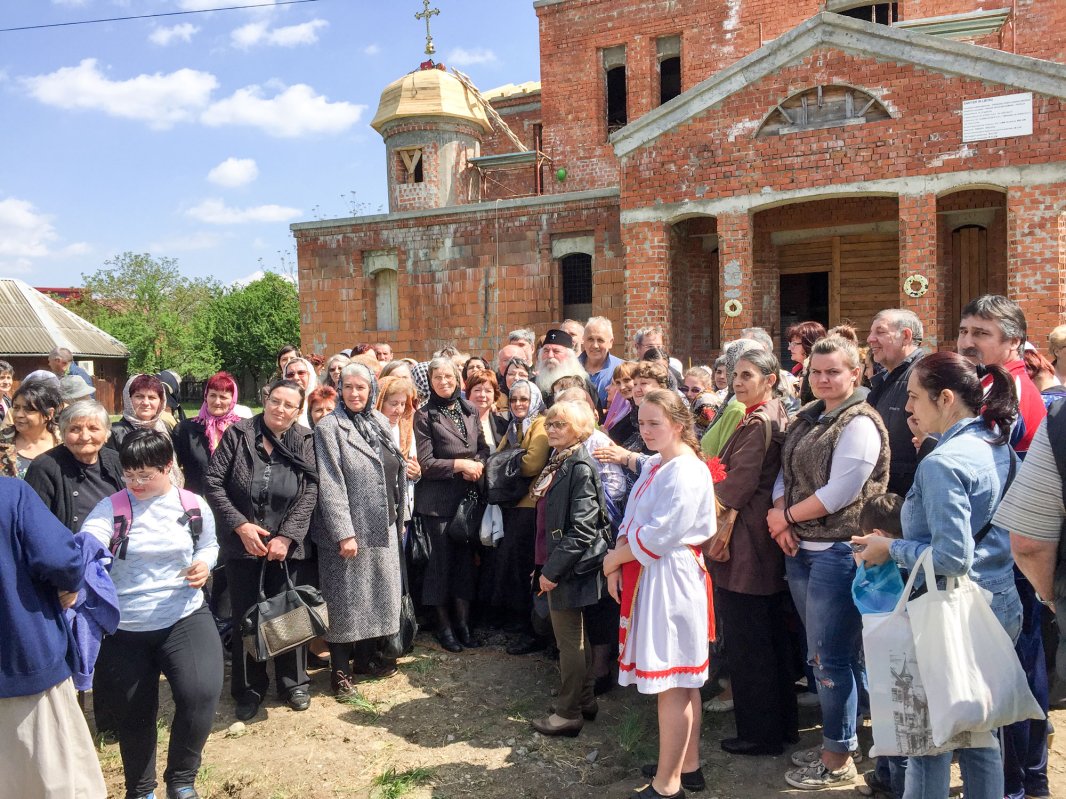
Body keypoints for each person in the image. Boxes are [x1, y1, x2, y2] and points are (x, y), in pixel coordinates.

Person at [852, 351, 1023, 799]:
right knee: (980, 731)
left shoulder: (942, 463)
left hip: (948, 611)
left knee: (929, 743)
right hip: (995, 603)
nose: (907, 408)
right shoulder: (993, 441)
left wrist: (889, 547)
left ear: (945, 398)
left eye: (913, 398)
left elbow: (952, 557)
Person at [768, 334, 889, 790]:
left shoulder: (859, 422)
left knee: (829, 658)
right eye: (816, 371)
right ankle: (850, 739)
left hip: (839, 552)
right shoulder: (810, 416)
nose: (823, 379)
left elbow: (842, 491)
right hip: (802, 549)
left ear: (854, 374)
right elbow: (784, 469)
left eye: (833, 371)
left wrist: (785, 517)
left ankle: (837, 758)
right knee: (831, 654)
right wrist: (782, 519)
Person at [83, 430, 221, 799]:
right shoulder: (111, 509)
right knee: (134, 714)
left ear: (168, 467)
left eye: (146, 475)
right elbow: (89, 541)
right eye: (129, 474)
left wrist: (204, 564)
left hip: (183, 617)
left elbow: (209, 543)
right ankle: (141, 789)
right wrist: (83, 555)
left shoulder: (192, 505)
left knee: (201, 694)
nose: (136, 483)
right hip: (125, 627)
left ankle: (181, 780)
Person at [957, 294, 1049, 797]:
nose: (969, 341)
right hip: (1011, 544)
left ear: (1012, 340)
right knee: (1020, 660)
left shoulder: (1002, 383)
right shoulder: (1007, 378)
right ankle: (1027, 775)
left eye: (982, 333)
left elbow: (988, 473)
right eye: (965, 330)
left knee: (1008, 667)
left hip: (1007, 548)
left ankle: (1018, 780)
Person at [603, 389, 715, 799]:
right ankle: (688, 766)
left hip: (672, 575)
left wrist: (614, 560)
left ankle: (668, 786)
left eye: (656, 423)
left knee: (674, 680)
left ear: (679, 425)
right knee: (681, 680)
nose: (646, 431)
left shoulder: (686, 469)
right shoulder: (657, 463)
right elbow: (632, 513)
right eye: (642, 423)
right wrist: (618, 553)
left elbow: (663, 533)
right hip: (652, 570)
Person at [205, 379, 319, 720]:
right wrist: (241, 526)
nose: (280, 409)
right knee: (247, 617)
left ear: (298, 411)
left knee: (289, 612)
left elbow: (311, 488)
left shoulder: (304, 439)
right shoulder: (239, 434)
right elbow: (213, 482)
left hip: (286, 546)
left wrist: (287, 537)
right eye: (275, 401)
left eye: (289, 405)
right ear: (265, 400)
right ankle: (249, 688)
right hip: (244, 545)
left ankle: (293, 683)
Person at [708, 348, 797, 757]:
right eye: (735, 376)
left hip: (745, 542)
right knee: (769, 638)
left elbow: (736, 486)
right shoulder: (767, 413)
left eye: (747, 375)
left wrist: (702, 494)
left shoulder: (759, 419)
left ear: (770, 379)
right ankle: (781, 726)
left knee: (749, 643)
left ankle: (759, 735)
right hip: (760, 539)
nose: (738, 382)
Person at [1, 477, 106, 799]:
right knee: (55, 781)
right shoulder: (10, 493)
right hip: (23, 657)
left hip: (22, 662)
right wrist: (70, 583)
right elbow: (59, 557)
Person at [313, 363, 409, 694]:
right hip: (351, 530)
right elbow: (331, 483)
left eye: (362, 388)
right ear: (340, 390)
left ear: (371, 391)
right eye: (349, 387)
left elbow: (395, 469)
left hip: (383, 524)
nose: (355, 393)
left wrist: (402, 513)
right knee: (346, 603)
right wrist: (344, 532)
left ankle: (366, 660)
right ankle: (340, 675)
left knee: (376, 597)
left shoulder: (380, 422)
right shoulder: (329, 428)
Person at [529, 400, 609, 737]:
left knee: (570, 642)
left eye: (560, 424)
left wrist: (552, 571)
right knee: (576, 638)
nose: (551, 429)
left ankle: (567, 713)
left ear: (578, 428)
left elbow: (583, 529)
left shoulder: (578, 466)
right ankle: (585, 700)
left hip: (570, 568)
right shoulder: (560, 460)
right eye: (549, 423)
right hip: (559, 563)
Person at [413, 357, 489, 652]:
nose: (444, 382)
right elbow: (426, 462)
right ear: (429, 382)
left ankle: (464, 626)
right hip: (438, 504)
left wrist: (478, 464)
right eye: (437, 378)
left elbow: (482, 448)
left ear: (458, 377)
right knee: (440, 568)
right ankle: (443, 628)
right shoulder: (424, 415)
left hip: (467, 501)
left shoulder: (470, 410)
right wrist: (459, 464)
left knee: (464, 567)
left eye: (448, 376)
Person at [489, 379, 551, 654]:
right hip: (513, 503)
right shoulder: (515, 426)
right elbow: (498, 456)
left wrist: (505, 463)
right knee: (512, 565)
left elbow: (531, 464)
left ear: (534, 400)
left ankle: (532, 629)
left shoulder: (539, 425)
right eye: (513, 400)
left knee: (525, 564)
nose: (518, 404)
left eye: (524, 399)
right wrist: (507, 460)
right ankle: (519, 623)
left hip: (530, 505)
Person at [25, 400, 124, 533]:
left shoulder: (116, 460)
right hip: (69, 550)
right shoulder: (44, 468)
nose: (84, 436)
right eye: (75, 429)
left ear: (106, 434)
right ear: (63, 434)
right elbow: (34, 525)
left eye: (93, 428)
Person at [865, 309, 929, 495]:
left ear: (906, 336)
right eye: (871, 332)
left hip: (906, 494)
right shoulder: (888, 378)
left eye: (880, 332)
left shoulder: (924, 375)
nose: (870, 339)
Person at [171, 372, 241, 497]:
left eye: (223, 397)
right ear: (206, 396)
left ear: (233, 400)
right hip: (197, 501)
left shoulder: (243, 430)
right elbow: (173, 468)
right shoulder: (185, 429)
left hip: (234, 503)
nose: (217, 401)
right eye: (212, 395)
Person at [701, 339, 762, 459]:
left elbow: (722, 457)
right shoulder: (733, 400)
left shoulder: (739, 407)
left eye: (729, 361)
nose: (727, 368)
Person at [0, 379, 62, 478]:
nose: (19, 415)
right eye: (16, 408)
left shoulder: (66, 443)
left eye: (28, 409)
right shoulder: (2, 442)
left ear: (49, 414)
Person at [109, 374, 173, 452]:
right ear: (128, 399)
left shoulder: (165, 428)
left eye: (152, 397)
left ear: (161, 402)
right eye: (139, 396)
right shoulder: (115, 432)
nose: (146, 403)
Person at [580, 316, 623, 409]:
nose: (595, 345)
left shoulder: (622, 369)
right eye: (590, 339)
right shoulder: (571, 367)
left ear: (611, 342)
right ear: (583, 340)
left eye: (600, 340)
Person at [536, 330, 588, 399]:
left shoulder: (584, 385)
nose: (550, 355)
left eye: (556, 351)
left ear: (569, 356)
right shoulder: (533, 384)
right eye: (546, 351)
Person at [786, 320, 828, 404]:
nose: (789, 348)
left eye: (794, 344)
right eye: (790, 344)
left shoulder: (820, 372)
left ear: (809, 344)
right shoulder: (797, 370)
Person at [466, 370, 508, 447]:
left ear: (494, 395)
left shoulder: (503, 424)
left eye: (488, 391)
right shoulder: (459, 421)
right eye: (477, 390)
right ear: (469, 393)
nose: (482, 395)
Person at [604, 361, 638, 445]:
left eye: (627, 380)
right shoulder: (629, 410)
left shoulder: (642, 410)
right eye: (618, 383)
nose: (622, 387)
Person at [284, 356, 319, 428]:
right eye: (290, 374)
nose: (296, 378)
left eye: (301, 373)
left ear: (310, 375)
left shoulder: (320, 401)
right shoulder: (279, 403)